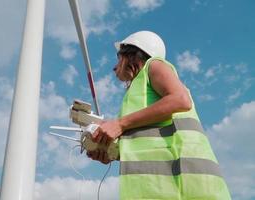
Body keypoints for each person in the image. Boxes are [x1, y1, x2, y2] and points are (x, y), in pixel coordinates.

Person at [87, 31, 231, 199]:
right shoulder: (136, 98)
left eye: (118, 58)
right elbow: (147, 143)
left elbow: (181, 100)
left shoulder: (154, 65)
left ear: (131, 55)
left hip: (186, 183)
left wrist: (120, 124)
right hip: (157, 187)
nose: (114, 66)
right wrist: (111, 153)